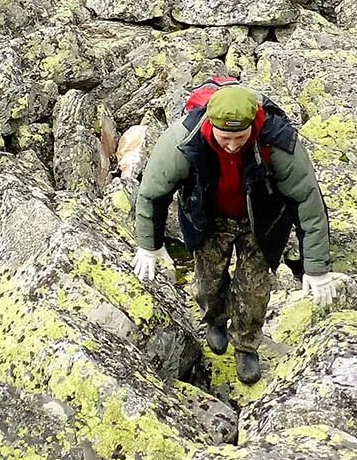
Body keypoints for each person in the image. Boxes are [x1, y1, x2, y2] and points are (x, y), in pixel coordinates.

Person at [132, 82, 331, 384]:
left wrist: (315, 268)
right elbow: (151, 193)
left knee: (253, 290)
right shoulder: (183, 140)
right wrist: (150, 244)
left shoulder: (278, 143)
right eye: (226, 138)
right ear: (211, 126)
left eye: (240, 137)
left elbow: (308, 200)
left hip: (260, 222)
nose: (233, 145)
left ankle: (246, 346)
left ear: (253, 126)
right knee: (207, 284)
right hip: (210, 218)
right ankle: (215, 319)